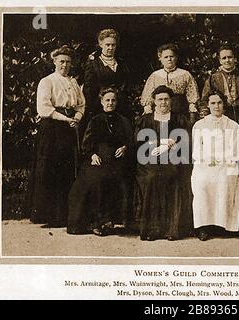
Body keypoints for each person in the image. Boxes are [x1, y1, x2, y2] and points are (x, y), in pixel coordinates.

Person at [30, 45, 85, 227]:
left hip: (69, 129)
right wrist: (66, 118)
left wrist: (76, 118)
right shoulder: (47, 81)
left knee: (67, 169)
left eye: (68, 62)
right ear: (54, 62)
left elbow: (81, 104)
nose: (65, 65)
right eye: (61, 61)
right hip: (52, 128)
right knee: (50, 169)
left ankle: (64, 214)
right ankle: (48, 215)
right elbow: (44, 108)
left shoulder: (73, 82)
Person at [67, 88, 133, 236]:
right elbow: (87, 143)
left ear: (117, 102)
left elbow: (130, 140)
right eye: (107, 100)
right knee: (95, 180)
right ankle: (96, 222)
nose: (110, 103)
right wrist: (92, 155)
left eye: (113, 100)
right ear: (102, 102)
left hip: (117, 160)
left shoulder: (123, 121)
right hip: (98, 158)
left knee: (117, 178)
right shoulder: (95, 120)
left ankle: (112, 220)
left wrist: (125, 148)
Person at [135, 85, 192, 241]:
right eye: (160, 99)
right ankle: (152, 229)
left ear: (171, 101)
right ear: (154, 101)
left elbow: (187, 140)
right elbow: (140, 143)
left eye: (166, 99)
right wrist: (158, 144)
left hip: (174, 157)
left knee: (172, 174)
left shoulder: (179, 119)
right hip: (149, 160)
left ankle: (171, 229)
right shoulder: (146, 120)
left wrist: (172, 143)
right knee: (153, 177)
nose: (163, 102)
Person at [191, 91, 239, 241]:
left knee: (225, 180)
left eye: (219, 102)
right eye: (213, 103)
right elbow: (196, 150)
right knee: (202, 182)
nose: (216, 106)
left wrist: (221, 160)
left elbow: (235, 150)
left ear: (224, 104)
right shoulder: (199, 125)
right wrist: (208, 160)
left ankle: (222, 225)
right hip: (204, 164)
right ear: (208, 105)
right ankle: (203, 227)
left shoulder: (232, 125)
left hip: (226, 163)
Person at [83, 29, 129, 129]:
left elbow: (125, 84)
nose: (110, 48)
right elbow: (89, 88)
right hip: (99, 106)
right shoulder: (93, 64)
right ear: (100, 44)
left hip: (119, 104)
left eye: (113, 45)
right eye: (107, 45)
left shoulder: (121, 63)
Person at [201, 44, 239, 126]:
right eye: (224, 58)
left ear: (234, 59)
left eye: (230, 57)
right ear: (220, 61)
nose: (227, 60)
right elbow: (205, 99)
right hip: (221, 116)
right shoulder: (213, 78)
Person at [140, 43, 199, 120]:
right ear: (160, 58)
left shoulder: (185, 74)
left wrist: (192, 114)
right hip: (160, 112)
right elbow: (148, 97)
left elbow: (192, 96)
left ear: (176, 57)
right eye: (166, 57)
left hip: (180, 112)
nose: (169, 59)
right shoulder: (155, 76)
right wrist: (148, 112)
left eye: (171, 56)